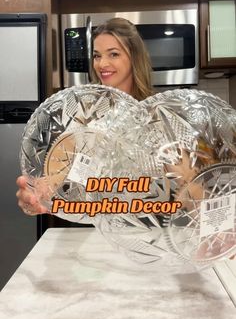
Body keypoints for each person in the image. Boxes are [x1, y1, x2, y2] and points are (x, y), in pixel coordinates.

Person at [16, 17, 154, 215]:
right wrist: (36, 194)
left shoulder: (155, 114)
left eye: (113, 54)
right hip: (95, 224)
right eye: (97, 56)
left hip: (147, 226)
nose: (102, 64)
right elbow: (58, 169)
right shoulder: (85, 115)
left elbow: (186, 180)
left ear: (134, 57)